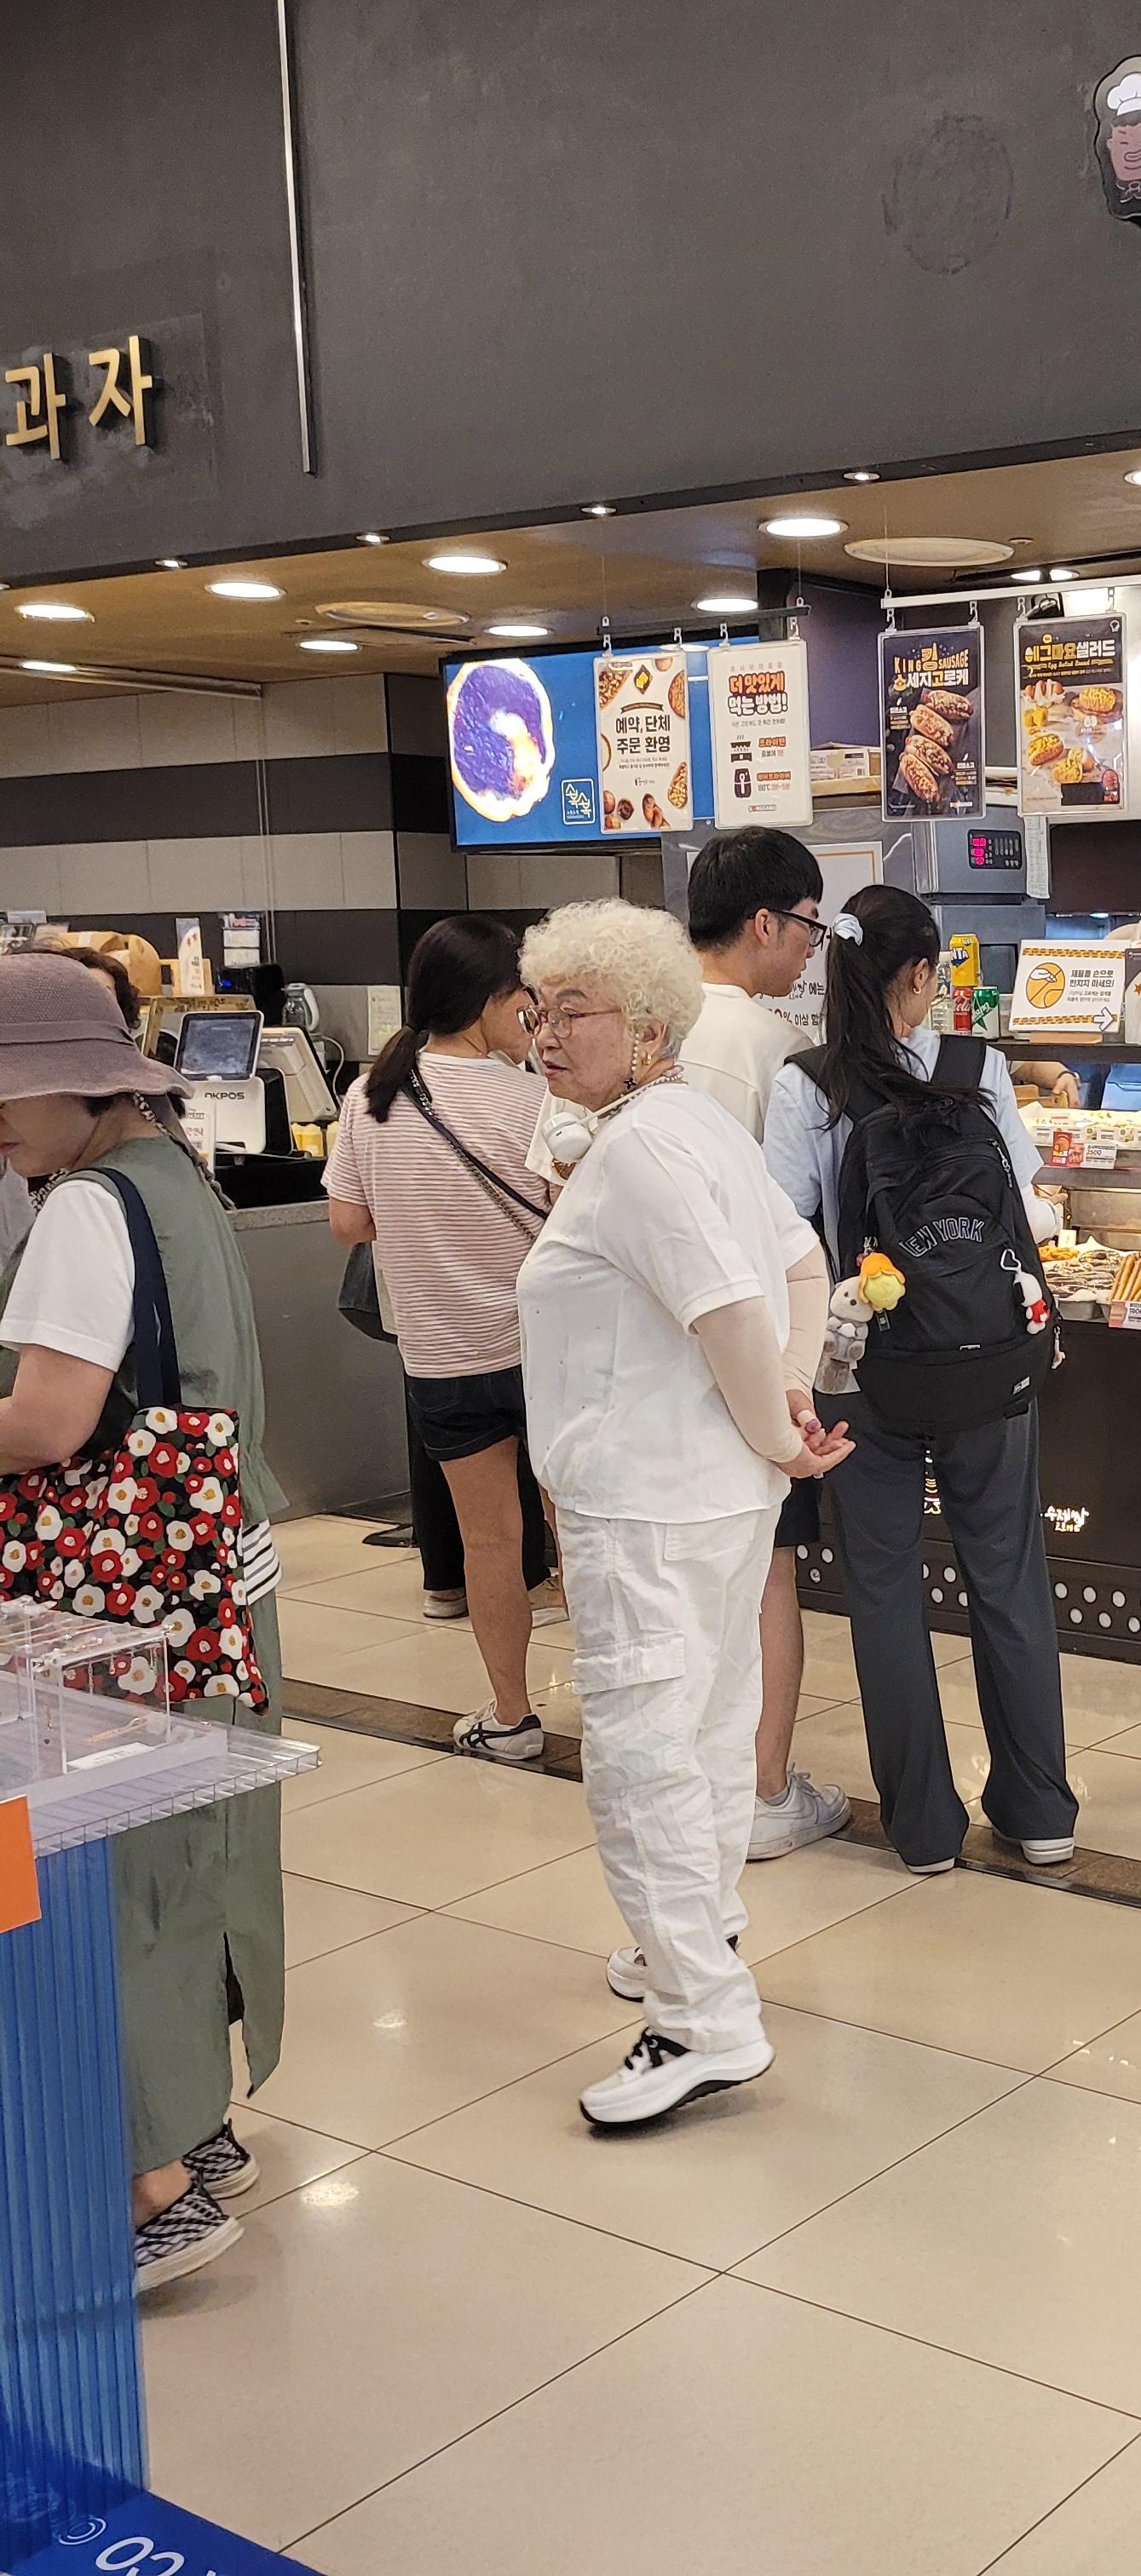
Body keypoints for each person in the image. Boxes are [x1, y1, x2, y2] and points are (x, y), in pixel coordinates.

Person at [515, 900, 848, 2128]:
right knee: (705, 1732)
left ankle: (701, 2019)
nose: (548, 1035)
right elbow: (799, 1264)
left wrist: (780, 1428)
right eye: (538, 1011)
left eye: (577, 1011)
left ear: (649, 1028)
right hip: (712, 1501)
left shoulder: (642, 1153)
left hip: (650, 1503)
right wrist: (788, 1405)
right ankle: (691, 1942)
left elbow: (725, 1309)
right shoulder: (690, 1123)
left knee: (642, 1756)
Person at [0, 953, 286, 2286]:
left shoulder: (82, 1208)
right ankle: (196, 2123)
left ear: (84, 1085)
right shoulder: (179, 1180)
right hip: (210, 1577)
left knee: (97, 1876)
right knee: (193, 1854)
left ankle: (143, 2184)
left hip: (113, 1597)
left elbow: (50, 1421)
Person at [765, 883, 1079, 1876]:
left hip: (862, 1367)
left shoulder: (805, 1084)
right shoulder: (978, 1068)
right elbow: (1027, 1209)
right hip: (989, 1363)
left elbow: (784, 1236)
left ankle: (925, 1831)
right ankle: (1039, 1812)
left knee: (885, 1590)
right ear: (917, 974)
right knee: (1008, 1576)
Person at [326, 916, 559, 1757]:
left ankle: (511, 1717)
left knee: (488, 1543)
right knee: (581, 1536)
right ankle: (618, 1716)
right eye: (523, 999)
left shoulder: (369, 1097)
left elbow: (348, 1224)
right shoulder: (535, 1099)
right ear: (491, 1000)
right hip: (546, 1354)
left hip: (442, 1360)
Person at [674, 827, 850, 1860]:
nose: (812, 949)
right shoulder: (769, 1047)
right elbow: (802, 1214)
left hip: (650, 1360)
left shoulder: (636, 1024)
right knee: (767, 1571)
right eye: (810, 927)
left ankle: (693, 1789)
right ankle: (764, 1791)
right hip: (748, 1350)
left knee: (681, 1587)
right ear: (764, 923)